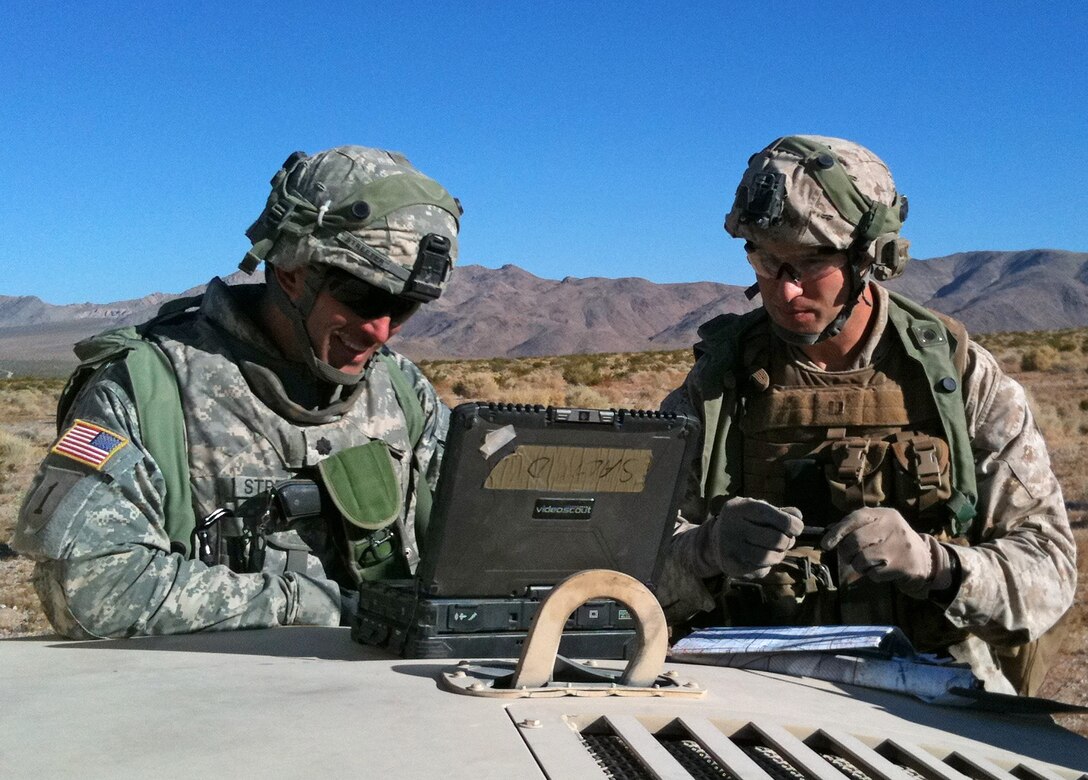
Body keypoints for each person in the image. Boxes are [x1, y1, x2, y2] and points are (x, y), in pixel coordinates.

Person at [658, 135, 1076, 695]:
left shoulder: (957, 377)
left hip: (933, 685)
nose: (785, 287)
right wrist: (705, 549)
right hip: (753, 685)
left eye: (811, 262)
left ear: (870, 258)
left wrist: (937, 566)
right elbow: (626, 570)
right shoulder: (715, 386)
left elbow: (1049, 572)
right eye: (764, 258)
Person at [12, 146, 461, 638]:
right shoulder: (147, 387)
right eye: (364, 296)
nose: (382, 330)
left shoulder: (401, 388)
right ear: (292, 271)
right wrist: (309, 605)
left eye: (405, 307)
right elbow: (90, 590)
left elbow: (479, 541)